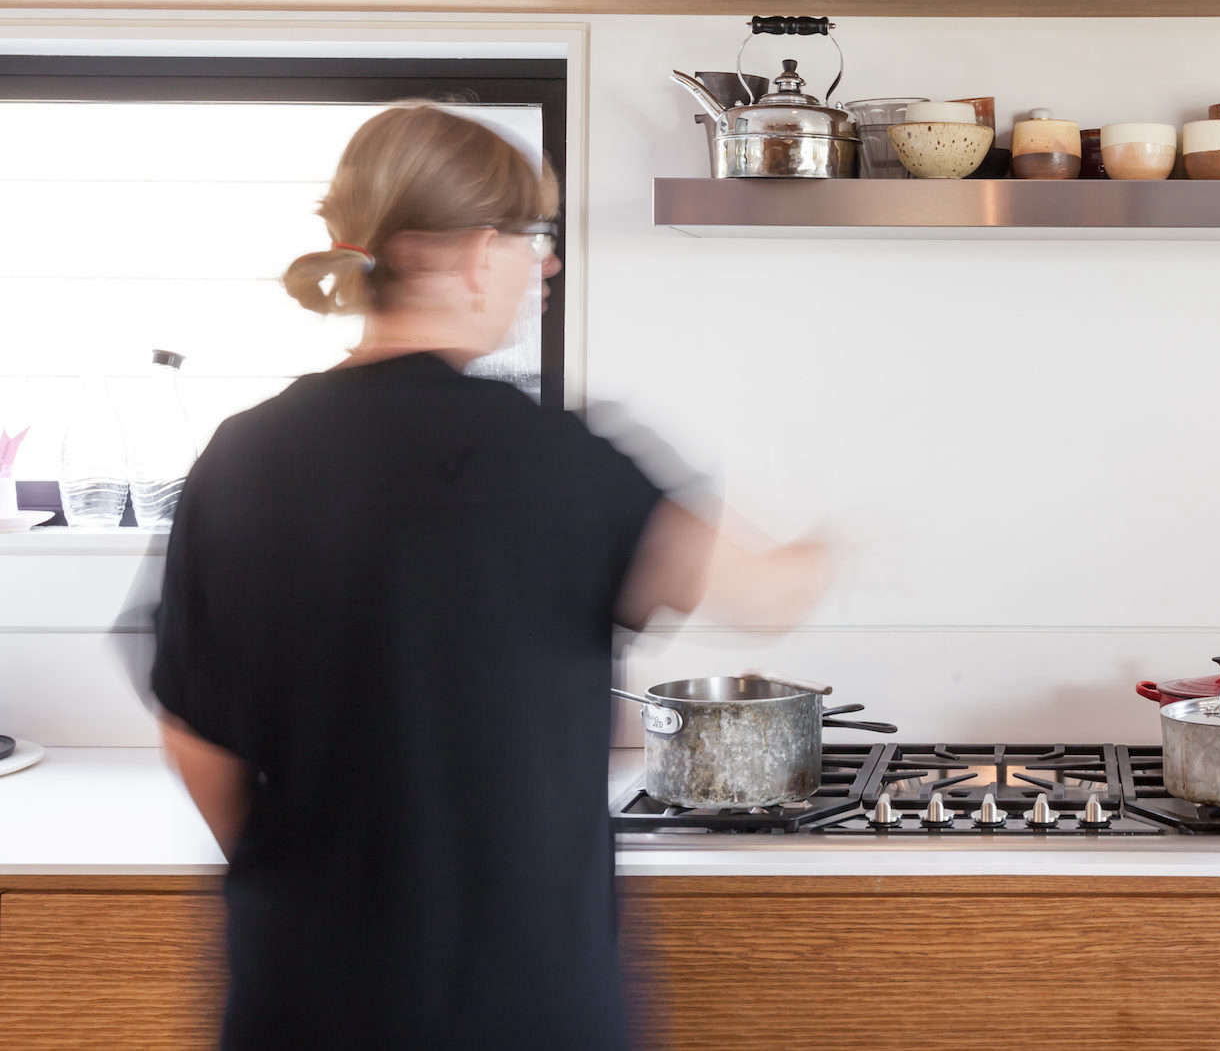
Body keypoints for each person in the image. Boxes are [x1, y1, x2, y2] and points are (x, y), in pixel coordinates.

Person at [151, 104, 828, 1049]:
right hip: (524, 999)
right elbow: (765, 591)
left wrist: (322, 888)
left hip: (302, 994)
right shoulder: (553, 457)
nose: (546, 263)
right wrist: (835, 544)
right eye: (535, 236)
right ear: (475, 252)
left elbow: (198, 741)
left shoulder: (241, 455)